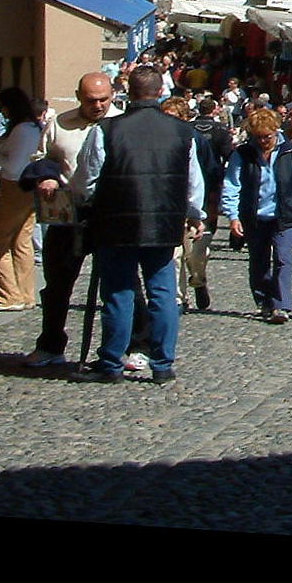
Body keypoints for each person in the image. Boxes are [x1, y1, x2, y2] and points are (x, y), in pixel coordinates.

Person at [71, 66, 204, 384]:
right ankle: (162, 364)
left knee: (118, 293)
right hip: (162, 223)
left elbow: (86, 181)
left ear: (127, 91)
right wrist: (194, 215)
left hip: (115, 222)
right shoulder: (182, 132)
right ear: (161, 92)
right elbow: (193, 184)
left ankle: (111, 362)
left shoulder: (106, 130)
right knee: (162, 292)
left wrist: (85, 203)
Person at [19, 73, 117, 364]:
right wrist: (46, 177)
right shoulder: (59, 124)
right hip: (67, 211)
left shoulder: (121, 124)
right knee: (58, 283)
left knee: (121, 285)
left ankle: (130, 346)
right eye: (91, 100)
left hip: (108, 213)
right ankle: (50, 345)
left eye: (103, 99)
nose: (98, 106)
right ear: (78, 96)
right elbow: (39, 158)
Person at [223, 107, 292, 324]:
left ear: (276, 131)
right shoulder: (243, 154)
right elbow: (232, 185)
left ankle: (281, 305)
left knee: (283, 258)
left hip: (285, 214)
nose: (264, 141)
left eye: (268, 136)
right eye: (259, 137)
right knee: (259, 260)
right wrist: (233, 216)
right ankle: (264, 300)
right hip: (254, 216)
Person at [0, 87, 45, 311]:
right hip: (25, 187)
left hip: (14, 187)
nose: (2, 112)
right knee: (21, 241)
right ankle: (25, 293)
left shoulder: (22, 129)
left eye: (3, 107)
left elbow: (12, 165)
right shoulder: (30, 127)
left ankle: (8, 294)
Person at [161, 96, 217, 312]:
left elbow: (207, 174)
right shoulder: (159, 140)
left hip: (195, 204)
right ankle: (178, 298)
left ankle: (199, 281)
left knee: (193, 255)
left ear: (184, 118)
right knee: (175, 255)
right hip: (173, 209)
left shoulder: (196, 140)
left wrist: (205, 208)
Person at [189, 95, 233, 241]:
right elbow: (228, 153)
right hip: (212, 172)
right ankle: (208, 230)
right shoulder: (220, 129)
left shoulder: (188, 127)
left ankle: (194, 226)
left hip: (192, 169)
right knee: (211, 203)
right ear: (213, 110)